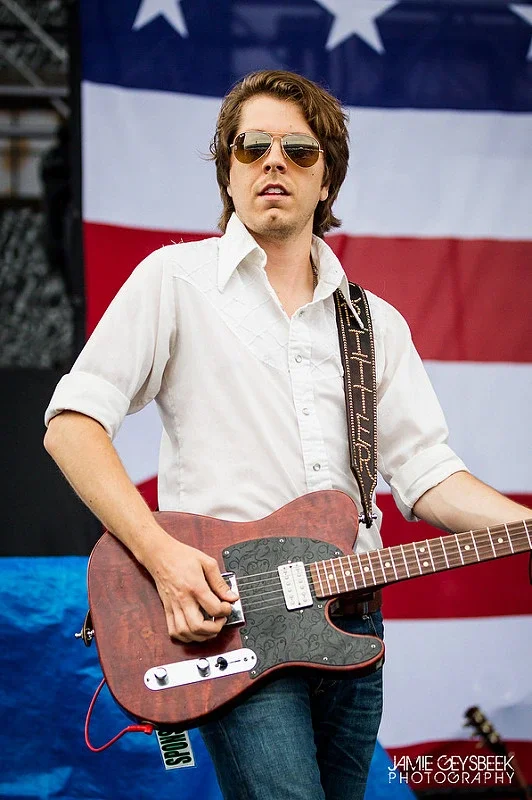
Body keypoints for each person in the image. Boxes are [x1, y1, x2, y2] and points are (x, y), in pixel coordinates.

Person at [44, 70, 530, 800]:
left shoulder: (375, 323)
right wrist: (162, 557)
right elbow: (73, 425)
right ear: (229, 172)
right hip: (234, 616)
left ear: (325, 178)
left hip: (352, 623)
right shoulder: (175, 281)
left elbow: (427, 474)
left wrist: (524, 526)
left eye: (300, 151)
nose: (275, 162)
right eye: (254, 147)